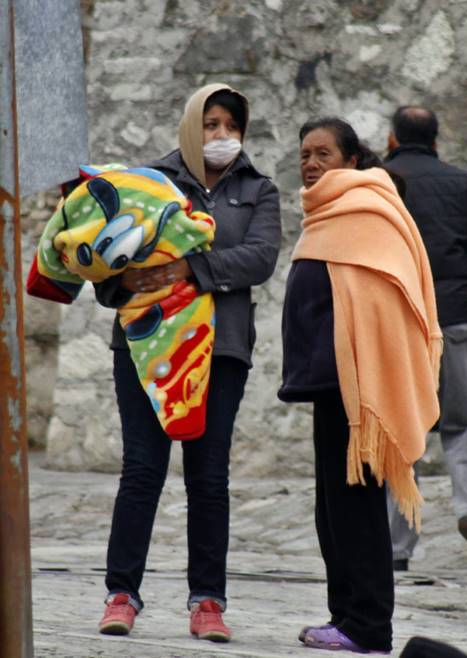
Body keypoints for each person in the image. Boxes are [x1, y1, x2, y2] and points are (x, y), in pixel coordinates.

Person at [94, 83, 281, 641]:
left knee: (208, 477)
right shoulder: (147, 183)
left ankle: (207, 603)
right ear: (190, 126)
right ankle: (121, 594)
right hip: (146, 344)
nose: (222, 135)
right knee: (142, 471)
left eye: (231, 125)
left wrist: (189, 271)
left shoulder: (259, 189)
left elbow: (260, 257)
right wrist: (127, 279)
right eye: (211, 124)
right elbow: (108, 260)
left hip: (220, 349)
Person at [279, 117, 442, 654]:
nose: (310, 163)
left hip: (360, 389)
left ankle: (368, 626)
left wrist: (366, 374)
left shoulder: (369, 208)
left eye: (322, 153)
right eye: (304, 153)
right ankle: (344, 616)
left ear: (351, 160)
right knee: (332, 509)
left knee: (356, 508)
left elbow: (386, 302)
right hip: (330, 383)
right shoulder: (326, 211)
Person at [382, 105, 467, 572]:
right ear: (437, 140)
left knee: (401, 434)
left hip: (396, 322)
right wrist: (459, 285)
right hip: (454, 318)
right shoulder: (465, 184)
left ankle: (396, 549)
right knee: (464, 424)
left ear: (392, 139)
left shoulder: (379, 182)